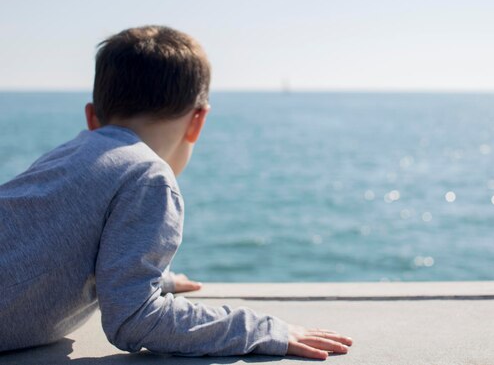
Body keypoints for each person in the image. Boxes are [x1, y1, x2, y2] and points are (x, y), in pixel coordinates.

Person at [0, 25, 352, 359]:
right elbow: (135, 319)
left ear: (92, 118)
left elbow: (41, 244)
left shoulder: (68, 154)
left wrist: (154, 278)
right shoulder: (147, 174)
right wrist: (262, 330)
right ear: (198, 120)